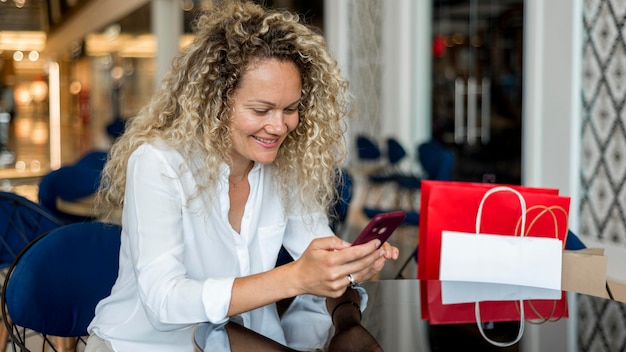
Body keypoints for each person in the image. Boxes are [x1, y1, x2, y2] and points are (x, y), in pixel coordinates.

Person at [86, 1, 399, 351]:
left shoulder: (283, 167)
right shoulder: (159, 163)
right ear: (216, 102)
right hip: (144, 344)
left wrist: (347, 271)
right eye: (261, 110)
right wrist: (295, 277)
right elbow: (165, 302)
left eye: (291, 109)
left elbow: (318, 257)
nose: (279, 126)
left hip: (246, 342)